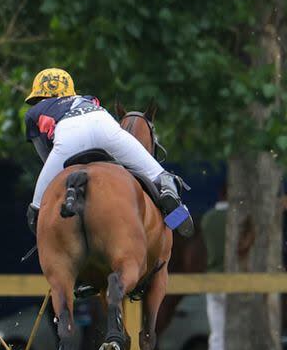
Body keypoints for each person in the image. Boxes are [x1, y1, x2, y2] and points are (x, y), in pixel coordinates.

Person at [22, 68, 194, 238]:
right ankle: (176, 219)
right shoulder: (88, 99)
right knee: (161, 176)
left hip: (69, 135)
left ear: (40, 96)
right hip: (103, 124)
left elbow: (46, 156)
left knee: (36, 209)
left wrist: (48, 189)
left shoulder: (35, 112)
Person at [201, 188, 228, 350]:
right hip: (236, 279)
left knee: (216, 334)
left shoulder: (207, 219)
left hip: (212, 278)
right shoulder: (236, 218)